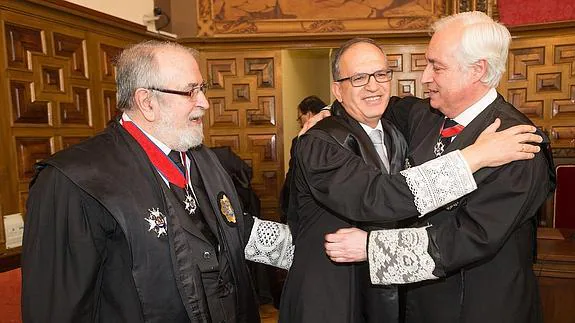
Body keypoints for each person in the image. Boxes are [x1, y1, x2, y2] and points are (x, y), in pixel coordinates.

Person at [21, 40, 293, 323]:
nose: (204, 103)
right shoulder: (74, 181)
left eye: (202, 89)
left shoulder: (200, 157)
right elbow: (56, 308)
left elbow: (235, 228)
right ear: (147, 102)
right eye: (191, 91)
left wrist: (310, 249)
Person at [324, 12, 555, 323]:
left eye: (437, 67)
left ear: (478, 70)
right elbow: (374, 102)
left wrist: (372, 247)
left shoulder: (519, 144)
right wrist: (329, 113)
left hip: (480, 307)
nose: (424, 78)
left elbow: (470, 237)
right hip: (421, 304)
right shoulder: (425, 114)